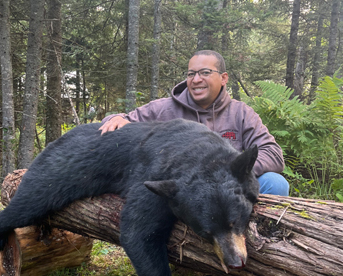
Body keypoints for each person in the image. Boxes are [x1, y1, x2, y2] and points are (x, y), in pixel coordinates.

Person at [99, 50, 289, 196]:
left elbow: (273, 154)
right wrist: (116, 118)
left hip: (230, 190)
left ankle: (245, 238)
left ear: (223, 78)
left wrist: (231, 169)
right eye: (191, 74)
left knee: (276, 183)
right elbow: (123, 121)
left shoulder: (241, 113)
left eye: (205, 72)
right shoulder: (163, 109)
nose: (196, 80)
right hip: (183, 190)